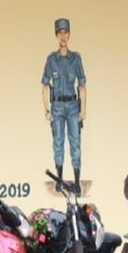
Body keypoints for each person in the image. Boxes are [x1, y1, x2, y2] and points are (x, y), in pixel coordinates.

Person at [41, 18, 87, 195]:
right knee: (58, 142)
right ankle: (59, 179)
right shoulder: (51, 60)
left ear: (69, 35)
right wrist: (46, 109)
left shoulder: (76, 59)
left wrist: (84, 110)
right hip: (58, 106)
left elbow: (82, 86)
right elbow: (44, 86)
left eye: (65, 32)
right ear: (56, 35)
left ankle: (76, 182)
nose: (63, 35)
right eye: (60, 32)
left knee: (75, 143)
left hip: (73, 106)